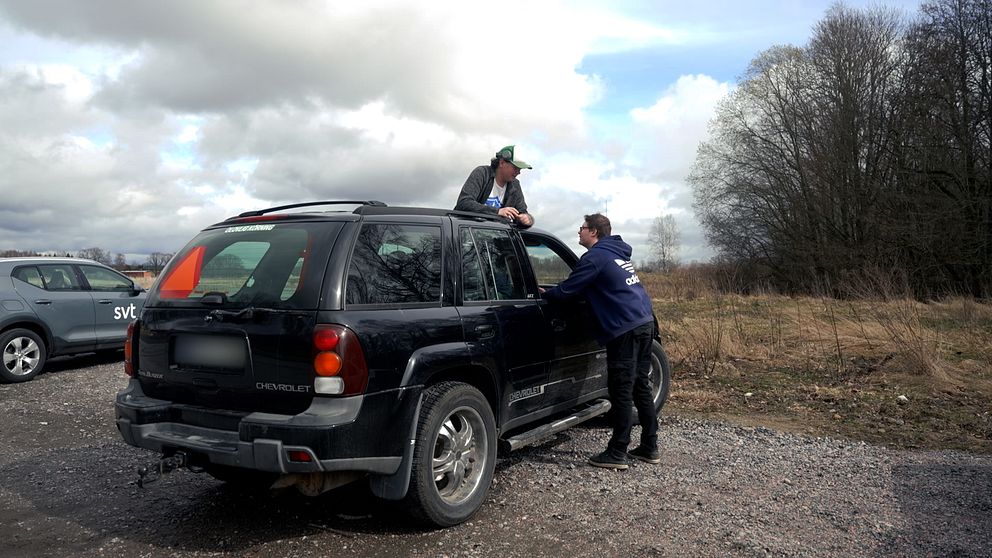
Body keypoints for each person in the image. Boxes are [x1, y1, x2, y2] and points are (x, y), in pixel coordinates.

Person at [540, 213, 660, 470]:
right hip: (644, 321)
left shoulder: (595, 256)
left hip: (625, 328)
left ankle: (617, 451)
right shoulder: (615, 253)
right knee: (640, 385)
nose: (578, 232)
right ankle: (650, 447)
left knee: (621, 388)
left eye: (582, 228)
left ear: (593, 232)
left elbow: (570, 289)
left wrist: (546, 295)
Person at [455, 145, 534, 227]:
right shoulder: (482, 173)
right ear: (502, 163)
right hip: (468, 232)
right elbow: (464, 203)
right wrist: (497, 212)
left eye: (520, 169)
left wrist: (527, 219)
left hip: (494, 236)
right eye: (515, 168)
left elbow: (522, 212)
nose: (518, 172)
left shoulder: (515, 185)